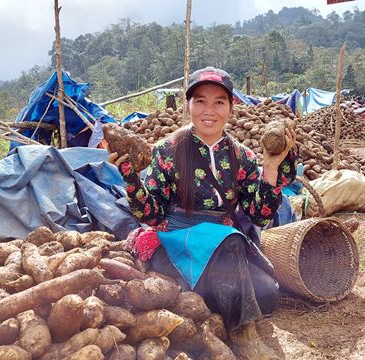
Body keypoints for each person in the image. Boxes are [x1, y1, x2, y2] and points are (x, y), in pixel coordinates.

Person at [109, 66, 298, 359]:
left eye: (219, 102)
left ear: (231, 107)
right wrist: (131, 178)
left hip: (221, 252)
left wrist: (271, 167)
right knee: (230, 240)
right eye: (200, 100)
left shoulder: (241, 157)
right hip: (174, 244)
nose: (209, 110)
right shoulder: (166, 151)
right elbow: (151, 214)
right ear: (188, 105)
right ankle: (243, 335)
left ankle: (205, 305)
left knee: (267, 294)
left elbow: (260, 216)